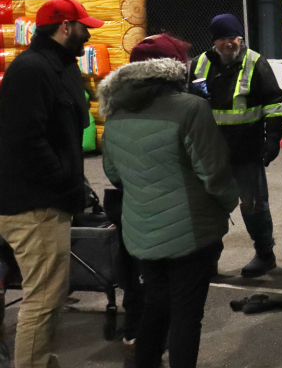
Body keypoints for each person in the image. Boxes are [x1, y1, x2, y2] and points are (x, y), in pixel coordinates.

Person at [100, 34, 239, 368]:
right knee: (187, 316)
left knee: (156, 308)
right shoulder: (191, 108)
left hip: (141, 233)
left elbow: (113, 173)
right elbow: (214, 174)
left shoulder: (116, 114)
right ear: (175, 68)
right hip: (192, 232)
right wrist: (227, 204)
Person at [0, 0, 104, 368]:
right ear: (64, 27)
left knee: (48, 294)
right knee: (44, 297)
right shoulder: (32, 69)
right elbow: (26, 139)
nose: (88, 32)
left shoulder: (60, 66)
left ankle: (39, 359)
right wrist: (66, 184)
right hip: (34, 205)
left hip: (48, 200)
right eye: (83, 26)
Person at [190, 13, 282, 277]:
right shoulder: (199, 65)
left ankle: (265, 254)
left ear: (240, 39)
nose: (229, 43)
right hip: (209, 151)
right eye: (223, 38)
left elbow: (273, 102)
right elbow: (189, 104)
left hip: (246, 150)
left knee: (253, 205)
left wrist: (273, 138)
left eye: (233, 38)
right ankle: (208, 259)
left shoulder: (256, 62)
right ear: (214, 41)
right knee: (209, 207)